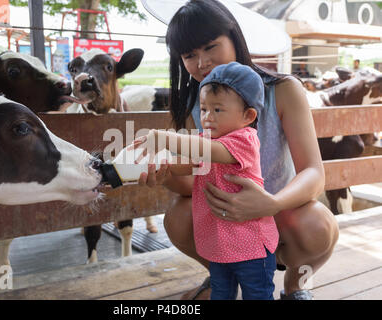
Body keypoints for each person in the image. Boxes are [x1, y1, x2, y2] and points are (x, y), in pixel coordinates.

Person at [136, 0, 339, 300]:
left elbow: (313, 172)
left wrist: (271, 203)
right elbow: (199, 176)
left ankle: (296, 285)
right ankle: (222, 272)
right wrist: (164, 174)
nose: (202, 62)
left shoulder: (283, 90)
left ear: (234, 37)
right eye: (189, 55)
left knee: (318, 225)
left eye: (210, 46)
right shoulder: (197, 105)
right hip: (227, 217)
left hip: (280, 213)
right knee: (177, 216)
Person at [131, 62, 278, 300]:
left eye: (217, 110)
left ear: (248, 115)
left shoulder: (245, 140)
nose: (207, 117)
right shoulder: (207, 141)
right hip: (220, 245)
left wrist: (162, 138)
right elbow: (191, 164)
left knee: (258, 294)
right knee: (220, 292)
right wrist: (164, 168)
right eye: (203, 109)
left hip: (251, 247)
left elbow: (204, 151)